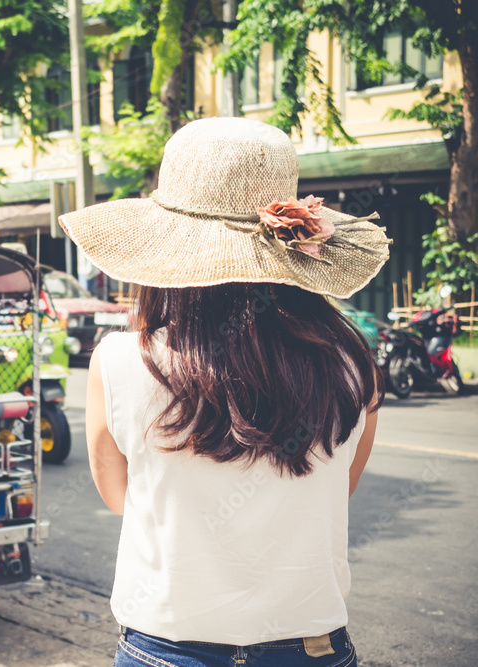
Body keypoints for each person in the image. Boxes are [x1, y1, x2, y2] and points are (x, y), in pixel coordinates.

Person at [59, 117, 389, 667]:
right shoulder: (352, 365)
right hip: (311, 648)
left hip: (168, 645)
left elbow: (123, 497)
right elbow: (336, 491)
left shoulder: (119, 360)